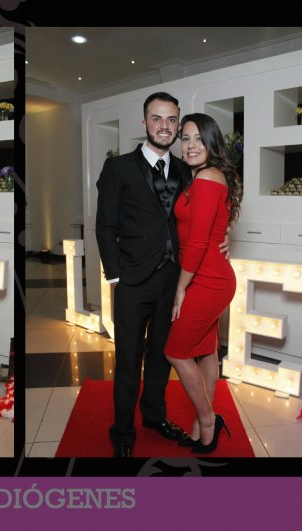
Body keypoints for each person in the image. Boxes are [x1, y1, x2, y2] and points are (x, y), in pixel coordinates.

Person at [96, 92, 228, 458]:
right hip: (133, 281)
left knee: (162, 356)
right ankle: (122, 431)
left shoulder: (189, 168)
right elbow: (105, 226)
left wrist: (225, 234)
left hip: (175, 281)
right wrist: (115, 277)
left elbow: (209, 210)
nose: (164, 126)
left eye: (172, 120)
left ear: (178, 124)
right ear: (144, 123)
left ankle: (154, 416)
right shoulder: (118, 167)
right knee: (128, 360)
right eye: (157, 118)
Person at [164, 113, 241, 454]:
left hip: (208, 279)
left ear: (212, 143)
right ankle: (201, 425)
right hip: (206, 275)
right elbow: (214, 224)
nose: (191, 145)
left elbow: (196, 243)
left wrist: (181, 288)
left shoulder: (208, 177)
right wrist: (225, 233)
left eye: (199, 139)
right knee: (206, 350)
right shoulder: (201, 176)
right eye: (185, 138)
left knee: (175, 352)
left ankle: (208, 420)